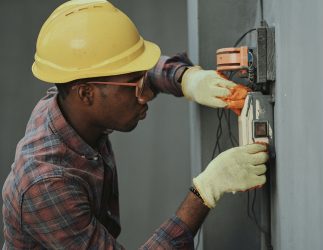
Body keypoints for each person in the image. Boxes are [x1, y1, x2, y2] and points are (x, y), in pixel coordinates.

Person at [2, 0, 268, 249]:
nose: (146, 95)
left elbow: (130, 71)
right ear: (86, 94)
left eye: (144, 81)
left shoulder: (69, 99)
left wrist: (186, 79)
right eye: (136, 85)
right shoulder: (46, 184)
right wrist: (204, 192)